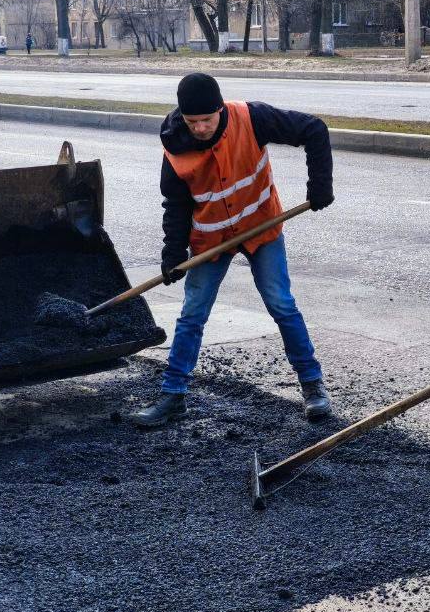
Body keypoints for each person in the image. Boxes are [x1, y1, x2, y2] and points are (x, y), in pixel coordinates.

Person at [130, 73, 334, 429]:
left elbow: (314, 130)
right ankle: (173, 394)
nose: (201, 128)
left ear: (220, 109)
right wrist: (172, 254)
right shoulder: (174, 148)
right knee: (192, 314)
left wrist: (320, 185)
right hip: (211, 241)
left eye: (208, 119)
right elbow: (175, 206)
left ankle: (312, 386)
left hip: (261, 227)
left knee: (281, 304)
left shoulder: (251, 118)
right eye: (193, 122)